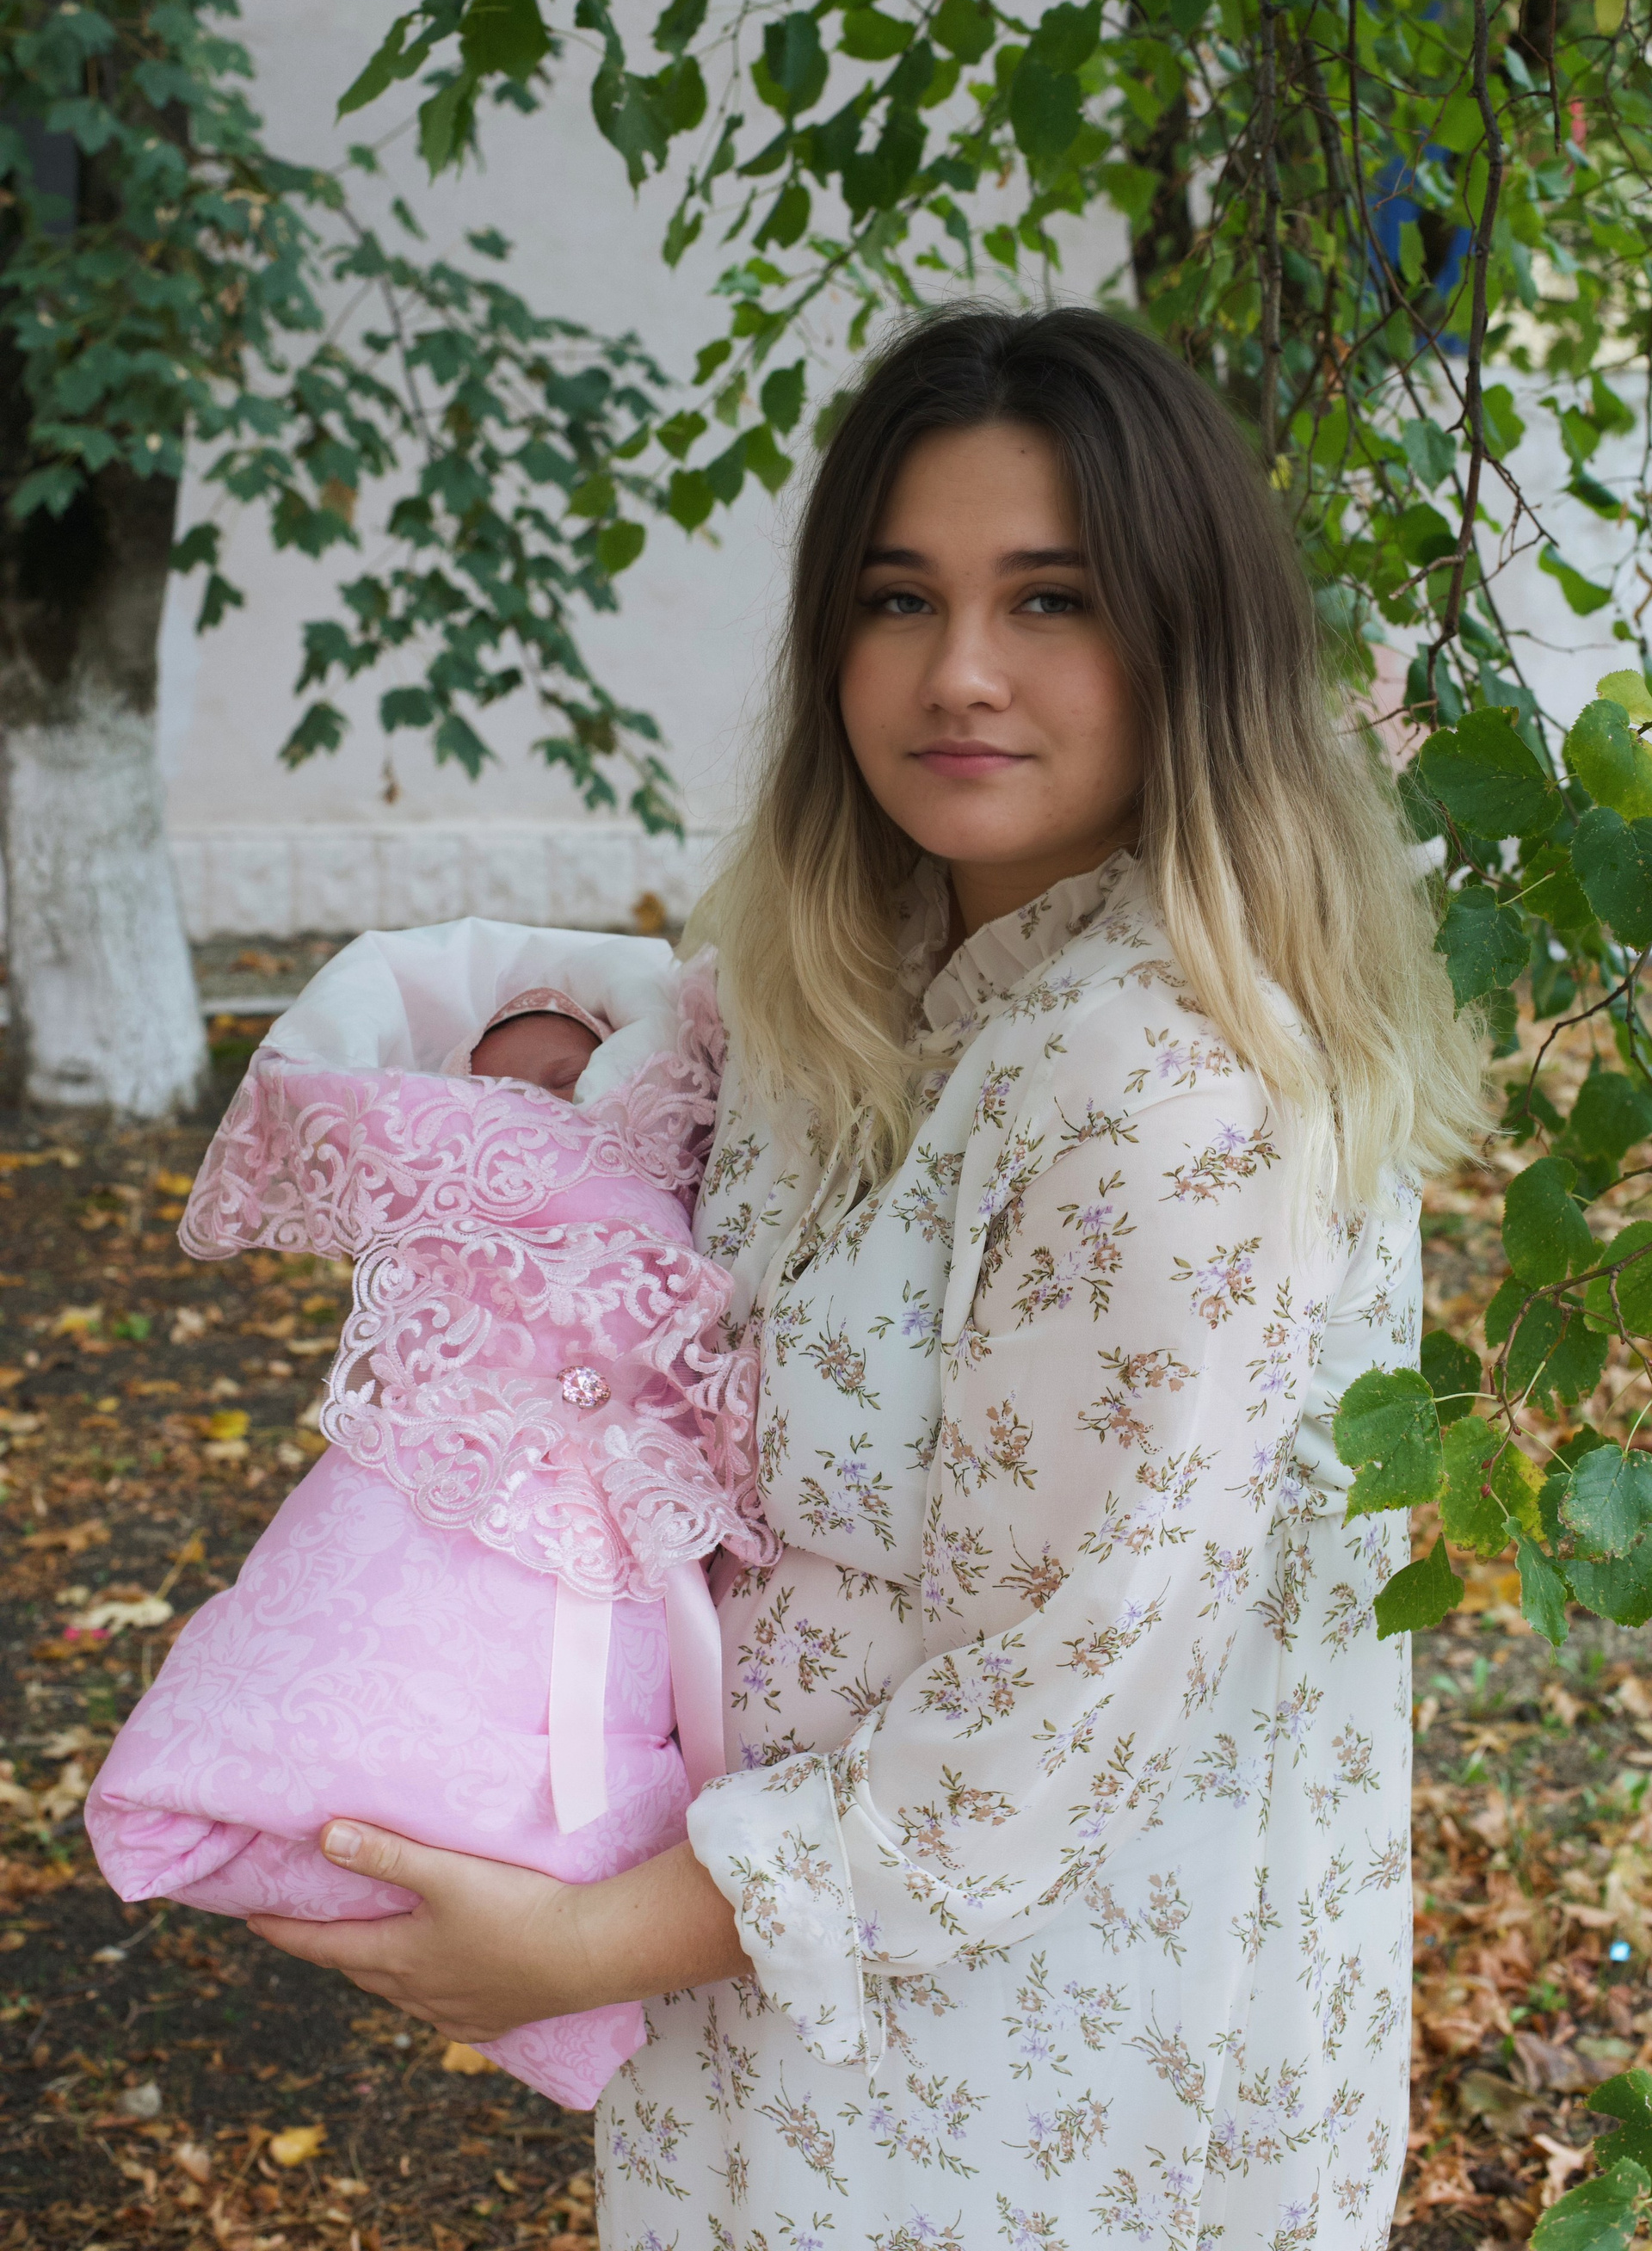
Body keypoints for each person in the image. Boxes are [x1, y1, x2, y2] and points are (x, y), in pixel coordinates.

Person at [246, 305, 1483, 2248]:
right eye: (899, 598)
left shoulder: (1162, 1089)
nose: (958, 670)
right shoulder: (871, 984)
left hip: (1030, 2106)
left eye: (1052, 598)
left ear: (1188, 641)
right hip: (779, 2027)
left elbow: (1037, 1725)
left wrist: (572, 1945)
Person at [86, 944, 774, 2110]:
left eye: (564, 1074)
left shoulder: (674, 1142)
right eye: (496, 1082)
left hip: (619, 1506)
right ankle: (248, 1800)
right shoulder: (459, 1192)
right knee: (362, 1615)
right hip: (450, 1449)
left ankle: (579, 1917)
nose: (536, 1101)